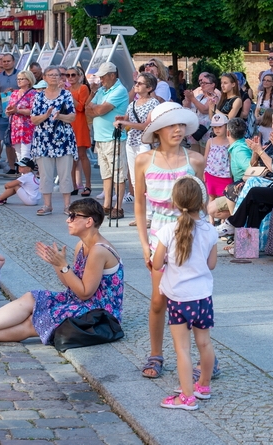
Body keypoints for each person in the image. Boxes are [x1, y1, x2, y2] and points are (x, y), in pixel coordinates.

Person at [0, 198, 123, 345]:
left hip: (99, 314)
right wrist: (57, 264)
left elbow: (84, 293)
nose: (68, 220)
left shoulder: (99, 250)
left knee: (35, 320)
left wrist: (64, 266)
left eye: (73, 216)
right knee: (31, 297)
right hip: (81, 302)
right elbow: (70, 285)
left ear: (89, 221)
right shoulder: (81, 246)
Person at [133, 102, 206, 379]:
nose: (178, 130)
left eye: (181, 125)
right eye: (171, 125)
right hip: (159, 235)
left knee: (194, 298)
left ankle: (204, 357)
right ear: (158, 130)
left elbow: (203, 202)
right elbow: (139, 206)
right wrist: (143, 244)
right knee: (157, 300)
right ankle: (156, 354)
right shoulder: (143, 160)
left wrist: (206, 239)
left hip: (190, 233)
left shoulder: (195, 160)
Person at [152, 176, 218, 410]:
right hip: (203, 296)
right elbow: (211, 265)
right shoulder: (211, 231)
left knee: (182, 349)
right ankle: (203, 386)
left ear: (175, 203)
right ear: (201, 202)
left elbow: (157, 262)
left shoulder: (168, 230)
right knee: (205, 344)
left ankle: (187, 397)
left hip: (180, 298)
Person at [30, 66, 77, 216]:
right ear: (44, 77)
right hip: (43, 140)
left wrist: (59, 116)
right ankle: (47, 205)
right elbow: (33, 119)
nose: (54, 77)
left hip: (63, 139)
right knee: (45, 174)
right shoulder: (38, 96)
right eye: (50, 75)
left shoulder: (66, 95)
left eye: (57, 75)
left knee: (65, 174)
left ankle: (67, 205)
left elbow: (72, 117)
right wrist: (46, 115)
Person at [86, 62, 129, 219]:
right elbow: (87, 109)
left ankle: (118, 206)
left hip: (113, 137)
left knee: (118, 173)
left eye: (103, 76)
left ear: (112, 75)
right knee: (106, 173)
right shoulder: (103, 90)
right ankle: (107, 204)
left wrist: (96, 109)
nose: (101, 80)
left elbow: (100, 110)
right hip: (100, 137)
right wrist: (95, 107)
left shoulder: (119, 90)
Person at [118, 72, 159, 223]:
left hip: (145, 143)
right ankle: (140, 215)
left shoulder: (153, 103)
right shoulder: (132, 104)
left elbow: (146, 126)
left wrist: (126, 123)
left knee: (147, 179)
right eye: (136, 82)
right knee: (135, 181)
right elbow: (127, 121)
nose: (136, 85)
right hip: (131, 143)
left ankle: (149, 215)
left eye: (139, 83)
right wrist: (120, 122)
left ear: (149, 88)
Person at [64, 66, 93, 197]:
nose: (70, 77)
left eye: (73, 75)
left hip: (80, 123)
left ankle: (88, 185)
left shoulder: (83, 88)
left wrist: (69, 94)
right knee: (70, 157)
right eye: (68, 75)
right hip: (69, 124)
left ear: (79, 76)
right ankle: (73, 185)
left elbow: (81, 107)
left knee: (82, 155)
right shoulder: (66, 89)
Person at [0, 53, 20, 174]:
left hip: (19, 113)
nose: (6, 63)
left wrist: (16, 92)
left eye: (8, 61)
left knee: (19, 141)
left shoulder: (20, 74)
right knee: (7, 141)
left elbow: (28, 90)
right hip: (4, 113)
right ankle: (12, 167)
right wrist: (4, 94)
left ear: (13, 62)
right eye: (4, 61)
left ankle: (21, 166)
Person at [5, 71, 37, 160]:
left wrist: (18, 110)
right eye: (18, 79)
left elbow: (33, 111)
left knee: (26, 154)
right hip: (15, 127)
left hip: (27, 128)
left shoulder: (33, 93)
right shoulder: (14, 93)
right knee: (18, 154)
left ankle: (27, 173)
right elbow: (9, 107)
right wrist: (8, 111)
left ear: (29, 80)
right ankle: (23, 173)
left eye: (22, 79)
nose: (19, 81)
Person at [183, 71, 219, 151]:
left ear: (213, 84)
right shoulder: (199, 96)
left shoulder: (214, 97)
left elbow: (204, 109)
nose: (202, 85)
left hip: (205, 130)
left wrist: (192, 98)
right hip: (195, 128)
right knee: (194, 154)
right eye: (201, 83)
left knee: (204, 154)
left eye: (205, 83)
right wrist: (188, 99)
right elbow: (188, 107)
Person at [203, 113, 232, 198]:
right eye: (215, 127)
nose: (217, 129)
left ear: (226, 126)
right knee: (211, 197)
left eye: (220, 127)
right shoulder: (210, 141)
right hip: (210, 174)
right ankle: (209, 212)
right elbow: (205, 157)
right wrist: (203, 172)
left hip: (225, 176)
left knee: (224, 199)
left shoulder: (230, 142)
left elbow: (231, 159)